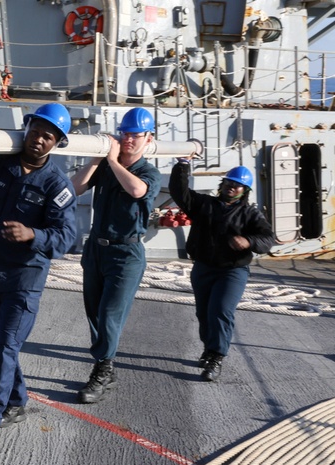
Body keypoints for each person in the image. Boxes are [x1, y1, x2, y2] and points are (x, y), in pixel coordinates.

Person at [0, 103, 78, 452]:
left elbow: (66, 237)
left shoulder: (56, 185)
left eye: (48, 136)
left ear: (56, 143)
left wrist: (32, 235)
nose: (39, 140)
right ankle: (17, 399)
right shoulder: (2, 164)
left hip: (25, 279)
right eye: (36, 131)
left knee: (6, 347)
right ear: (28, 130)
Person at [70, 106, 161, 404]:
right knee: (94, 312)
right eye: (125, 134)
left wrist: (112, 160)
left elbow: (137, 190)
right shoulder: (107, 167)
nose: (129, 139)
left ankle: (103, 369)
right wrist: (98, 158)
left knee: (110, 314)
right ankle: (105, 364)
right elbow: (76, 186)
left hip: (126, 254)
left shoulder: (149, 171)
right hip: (97, 248)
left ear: (148, 139)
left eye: (135, 135)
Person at [169, 161, 275, 381]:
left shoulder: (250, 214)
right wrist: (182, 167)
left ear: (244, 190)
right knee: (204, 313)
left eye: (238, 185)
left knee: (221, 310)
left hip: (232, 271)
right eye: (229, 182)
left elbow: (267, 239)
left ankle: (216, 357)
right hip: (203, 268)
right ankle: (209, 348)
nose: (232, 187)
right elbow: (179, 192)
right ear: (223, 183)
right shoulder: (203, 204)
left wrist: (248, 240)